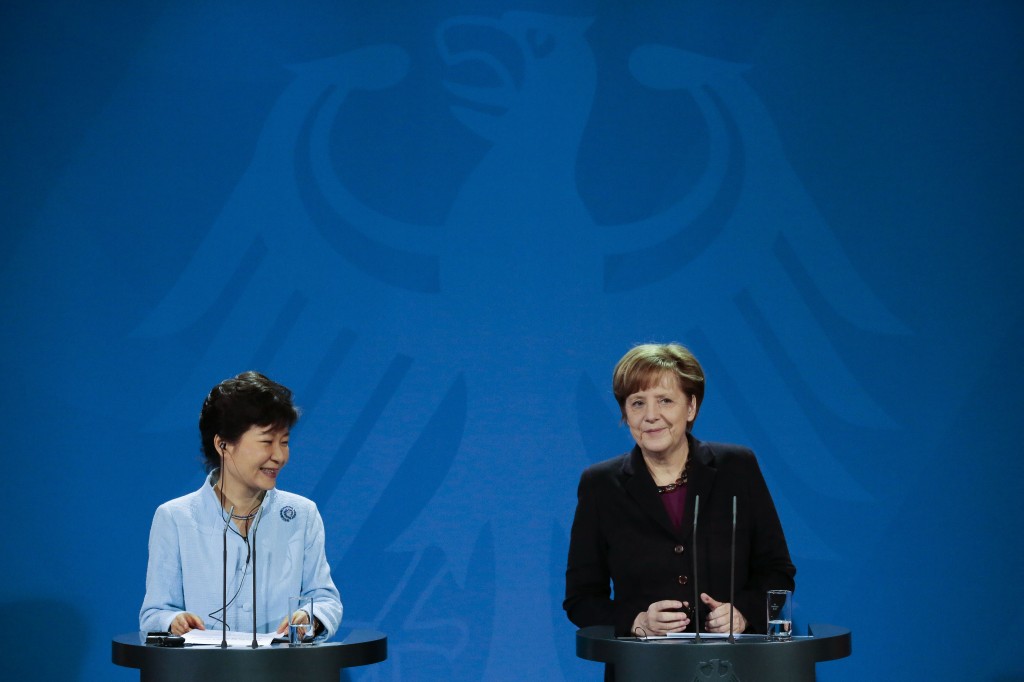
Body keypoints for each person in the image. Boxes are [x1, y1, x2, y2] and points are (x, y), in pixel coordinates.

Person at [564, 343, 795, 642]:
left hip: (735, 664)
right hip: (645, 669)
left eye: (664, 400)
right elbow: (580, 599)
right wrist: (636, 621)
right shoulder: (600, 485)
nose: (651, 415)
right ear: (625, 412)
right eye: (637, 403)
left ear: (691, 407)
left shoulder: (737, 468)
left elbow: (777, 571)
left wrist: (743, 613)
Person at [140, 371, 343, 639]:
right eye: (266, 442)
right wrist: (173, 620)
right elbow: (154, 612)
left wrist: (311, 617)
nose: (279, 456)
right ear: (223, 445)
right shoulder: (176, 518)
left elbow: (325, 599)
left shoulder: (301, 515)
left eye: (284, 442)